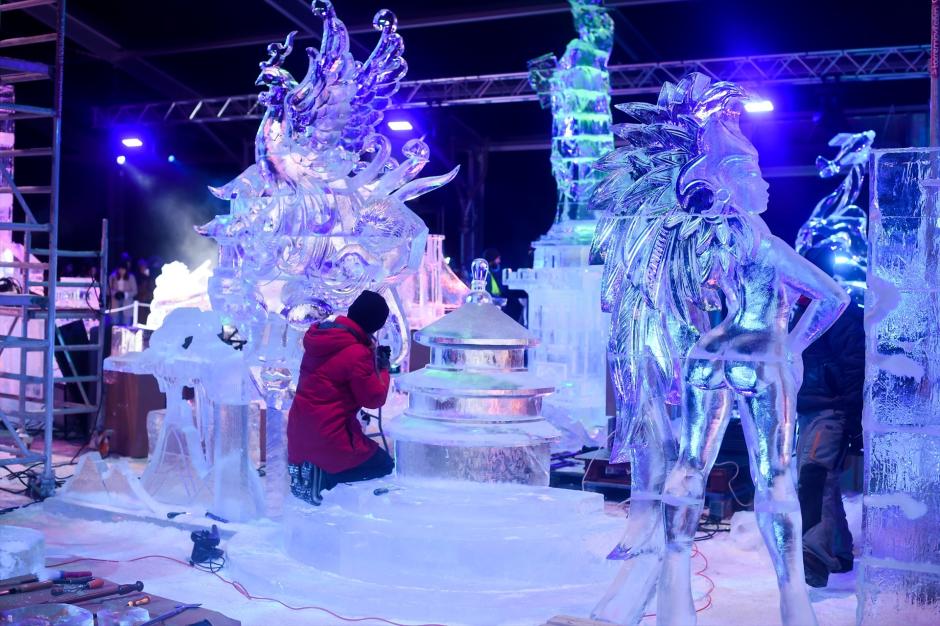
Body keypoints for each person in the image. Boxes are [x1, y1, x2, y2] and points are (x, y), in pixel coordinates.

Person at [287, 290, 394, 505]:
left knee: (362, 455)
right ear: (375, 325)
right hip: (330, 440)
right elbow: (373, 399)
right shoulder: (356, 352)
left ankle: (318, 474)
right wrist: (382, 368)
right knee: (384, 465)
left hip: (299, 434)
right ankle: (327, 478)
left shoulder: (322, 338)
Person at [796, 248, 864, 588]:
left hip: (831, 409)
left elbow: (855, 370)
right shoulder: (800, 312)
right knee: (822, 482)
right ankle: (839, 553)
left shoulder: (841, 313)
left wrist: (853, 423)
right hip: (809, 408)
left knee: (814, 477)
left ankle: (815, 561)